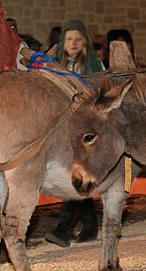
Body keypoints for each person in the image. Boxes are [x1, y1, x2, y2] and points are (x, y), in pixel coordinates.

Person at [44, 19, 104, 247]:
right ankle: (89, 227)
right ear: (63, 42)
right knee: (74, 175)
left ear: (85, 42)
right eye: (69, 39)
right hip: (61, 125)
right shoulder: (55, 64)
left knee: (79, 174)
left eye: (78, 39)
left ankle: (64, 228)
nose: (74, 43)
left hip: (84, 128)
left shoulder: (94, 64)